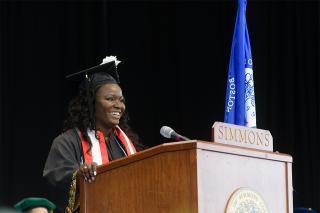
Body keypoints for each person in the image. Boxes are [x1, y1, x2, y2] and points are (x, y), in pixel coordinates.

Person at [43, 56, 142, 213]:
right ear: (91, 103)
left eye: (121, 100)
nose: (119, 105)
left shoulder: (127, 145)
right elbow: (55, 178)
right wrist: (80, 174)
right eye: (110, 99)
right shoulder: (67, 142)